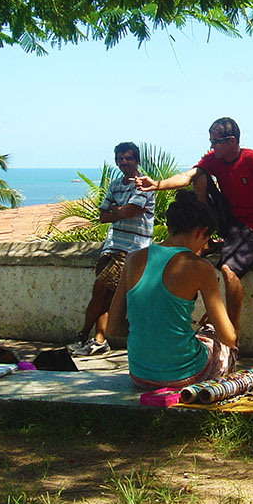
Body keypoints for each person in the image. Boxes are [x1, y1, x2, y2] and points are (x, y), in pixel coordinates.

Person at [136, 117, 253, 327]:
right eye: (211, 142)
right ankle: (206, 233)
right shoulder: (213, 159)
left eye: (216, 142)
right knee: (200, 176)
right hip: (228, 219)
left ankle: (231, 334)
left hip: (251, 227)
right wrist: (156, 185)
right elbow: (187, 177)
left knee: (228, 270)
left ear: (232, 141)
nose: (212, 146)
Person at [107, 190, 238, 389]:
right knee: (213, 337)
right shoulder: (200, 267)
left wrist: (154, 330)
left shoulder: (133, 259)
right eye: (206, 240)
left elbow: (113, 327)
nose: (204, 247)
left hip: (140, 375)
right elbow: (228, 336)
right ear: (200, 232)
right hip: (184, 375)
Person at [68, 142, 154, 357]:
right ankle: (98, 340)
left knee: (101, 289)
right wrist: (120, 211)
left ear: (137, 160)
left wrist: (117, 210)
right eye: (120, 159)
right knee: (106, 295)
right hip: (112, 246)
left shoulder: (144, 185)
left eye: (128, 158)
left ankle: (83, 335)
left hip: (133, 249)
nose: (124, 162)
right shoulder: (115, 184)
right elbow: (102, 215)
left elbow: (127, 212)